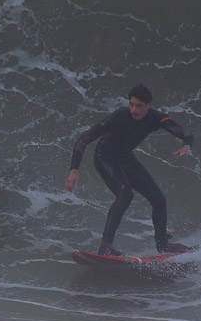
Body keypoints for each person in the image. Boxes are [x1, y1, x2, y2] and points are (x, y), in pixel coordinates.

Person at [64, 84, 194, 256]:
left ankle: (162, 244)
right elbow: (83, 139)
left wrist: (186, 145)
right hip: (106, 158)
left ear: (149, 105)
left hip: (126, 158)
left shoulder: (157, 118)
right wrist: (74, 169)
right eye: (131, 104)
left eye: (139, 105)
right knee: (125, 194)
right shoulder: (118, 117)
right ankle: (105, 247)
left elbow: (186, 134)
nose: (134, 109)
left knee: (159, 200)